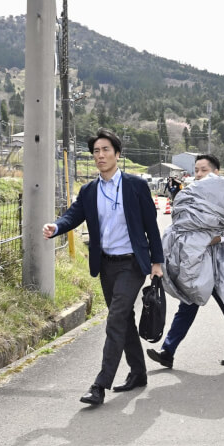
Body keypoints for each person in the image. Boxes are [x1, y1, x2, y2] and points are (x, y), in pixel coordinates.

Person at [43, 128, 164, 406]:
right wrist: (57, 226)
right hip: (106, 265)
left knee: (115, 319)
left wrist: (157, 262)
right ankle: (138, 371)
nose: (100, 155)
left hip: (132, 264)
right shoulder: (89, 190)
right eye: (96, 151)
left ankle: (100, 384)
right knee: (123, 319)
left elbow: (151, 226)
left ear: (117, 154)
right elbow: (73, 215)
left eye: (105, 150)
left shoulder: (135, 186)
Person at [147, 154, 224, 368]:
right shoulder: (191, 195)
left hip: (221, 261)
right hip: (198, 262)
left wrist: (219, 238)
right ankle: (168, 351)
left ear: (216, 173)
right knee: (188, 303)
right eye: (196, 170)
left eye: (204, 170)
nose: (199, 174)